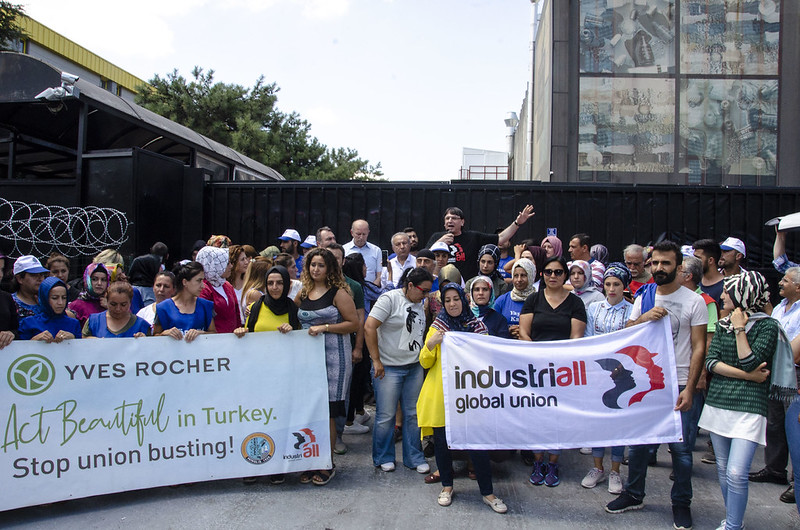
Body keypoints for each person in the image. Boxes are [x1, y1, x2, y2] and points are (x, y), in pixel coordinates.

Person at [606, 241, 707, 530]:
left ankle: (681, 504)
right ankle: (634, 493)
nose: (660, 268)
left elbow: (699, 347)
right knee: (638, 445)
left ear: (678, 266)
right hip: (648, 383)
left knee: (682, 452)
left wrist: (690, 389)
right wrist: (644, 319)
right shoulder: (645, 296)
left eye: (666, 263)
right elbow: (627, 334)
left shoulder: (694, 302)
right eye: (656, 263)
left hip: (680, 384)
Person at [699, 271, 795, 530]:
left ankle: (731, 525)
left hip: (751, 406)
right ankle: (734, 522)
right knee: (722, 470)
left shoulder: (768, 326)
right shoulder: (721, 324)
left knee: (736, 472)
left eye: (728, 292)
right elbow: (711, 362)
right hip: (719, 402)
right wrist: (747, 376)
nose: (722, 296)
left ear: (744, 294)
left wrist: (740, 328)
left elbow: (752, 360)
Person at [417, 282, 508, 513]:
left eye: (455, 299)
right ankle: (447, 486)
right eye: (447, 300)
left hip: (470, 397)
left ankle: (488, 492)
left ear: (463, 299)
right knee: (442, 443)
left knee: (477, 444)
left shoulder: (478, 327)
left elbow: (488, 358)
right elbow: (425, 362)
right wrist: (431, 344)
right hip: (442, 396)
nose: (452, 304)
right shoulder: (438, 327)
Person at [519, 255, 587, 487]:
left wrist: (558, 363)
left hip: (562, 371)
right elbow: (524, 334)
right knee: (536, 417)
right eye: (548, 272)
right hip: (536, 370)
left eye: (558, 272)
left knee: (558, 418)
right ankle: (539, 461)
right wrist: (537, 359)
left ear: (565, 275)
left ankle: (554, 462)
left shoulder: (576, 303)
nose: (553, 276)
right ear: (542, 275)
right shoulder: (533, 300)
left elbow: (576, 338)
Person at [295, 247, 360, 486]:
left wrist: (325, 328)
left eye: (321, 265)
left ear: (330, 268)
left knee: (329, 412)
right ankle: (310, 460)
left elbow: (353, 324)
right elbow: (292, 317)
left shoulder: (339, 293)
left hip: (335, 360)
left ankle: (326, 463)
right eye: (312, 265)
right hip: (307, 361)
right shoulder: (303, 292)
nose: (316, 269)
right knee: (311, 410)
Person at [365, 267, 432, 474]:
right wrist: (376, 360)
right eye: (423, 290)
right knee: (386, 415)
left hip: (413, 366)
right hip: (388, 367)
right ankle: (383, 456)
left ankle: (414, 457)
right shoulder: (389, 299)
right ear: (410, 285)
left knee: (413, 414)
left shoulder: (420, 302)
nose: (426, 295)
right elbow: (369, 326)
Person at [582, 263, 634, 494]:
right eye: (608, 284)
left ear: (624, 286)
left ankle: (615, 471)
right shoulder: (594, 308)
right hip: (599, 370)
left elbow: (632, 342)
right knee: (598, 421)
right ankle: (597, 468)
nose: (611, 289)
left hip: (622, 372)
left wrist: (621, 366)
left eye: (616, 284)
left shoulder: (631, 311)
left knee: (618, 420)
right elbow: (589, 337)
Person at [749, 266, 800, 501]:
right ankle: (775, 469)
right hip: (775, 370)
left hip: (794, 374)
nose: (780, 282)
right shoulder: (780, 307)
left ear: (798, 287)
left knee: (794, 428)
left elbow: (794, 352)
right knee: (775, 423)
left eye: (785, 280)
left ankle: (796, 482)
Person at [425, 205, 535, 280]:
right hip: (440, 286)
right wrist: (439, 243)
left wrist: (517, 223)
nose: (450, 221)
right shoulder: (437, 237)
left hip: (467, 288)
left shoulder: (473, 237)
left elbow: (501, 238)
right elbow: (423, 260)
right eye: (447, 218)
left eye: (454, 218)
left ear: (462, 222)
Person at [153, 261, 215, 341]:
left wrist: (202, 334)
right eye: (199, 280)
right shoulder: (163, 308)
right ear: (185, 282)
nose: (203, 286)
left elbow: (214, 335)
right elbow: (154, 337)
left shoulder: (206, 306)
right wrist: (164, 334)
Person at [18, 277, 81, 341]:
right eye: (54, 298)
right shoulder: (29, 323)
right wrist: (34, 340)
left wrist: (73, 339)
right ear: (44, 299)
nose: (60, 302)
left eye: (64, 298)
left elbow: (81, 348)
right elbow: (21, 348)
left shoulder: (74, 324)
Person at [196, 246, 241, 334]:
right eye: (227, 263)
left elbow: (236, 314)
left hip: (233, 340)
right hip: (215, 341)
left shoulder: (227, 285)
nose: (231, 266)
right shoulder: (204, 289)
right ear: (215, 265)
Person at [83, 282, 151, 338]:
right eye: (113, 304)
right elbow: (81, 344)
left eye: (123, 305)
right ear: (106, 301)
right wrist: (90, 340)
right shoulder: (93, 322)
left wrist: (144, 342)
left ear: (130, 303)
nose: (118, 309)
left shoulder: (142, 325)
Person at [493, 258, 536, 339]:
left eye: (523, 275)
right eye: (516, 276)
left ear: (531, 276)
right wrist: (506, 331)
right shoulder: (502, 300)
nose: (519, 280)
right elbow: (493, 327)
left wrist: (524, 332)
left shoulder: (539, 300)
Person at [67, 263, 110, 328]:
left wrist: (110, 307)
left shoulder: (113, 303)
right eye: (94, 279)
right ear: (87, 280)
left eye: (103, 280)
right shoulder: (76, 306)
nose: (99, 283)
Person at [343, 219, 383, 284]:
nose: (361, 237)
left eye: (364, 234)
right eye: (358, 234)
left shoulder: (376, 250)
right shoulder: (344, 250)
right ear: (352, 233)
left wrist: (372, 289)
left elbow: (380, 274)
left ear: (368, 233)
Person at [229, 244, 258, 320]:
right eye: (242, 259)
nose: (246, 262)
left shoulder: (251, 283)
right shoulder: (226, 286)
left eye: (246, 258)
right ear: (233, 262)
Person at [693, 239, 725, 304]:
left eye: (698, 258)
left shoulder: (725, 287)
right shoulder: (693, 282)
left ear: (710, 260)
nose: (694, 262)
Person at [0, 253, 18, 348]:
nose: (0, 275)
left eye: (2, 269)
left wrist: (10, 334)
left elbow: (16, 329)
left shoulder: (6, 297)